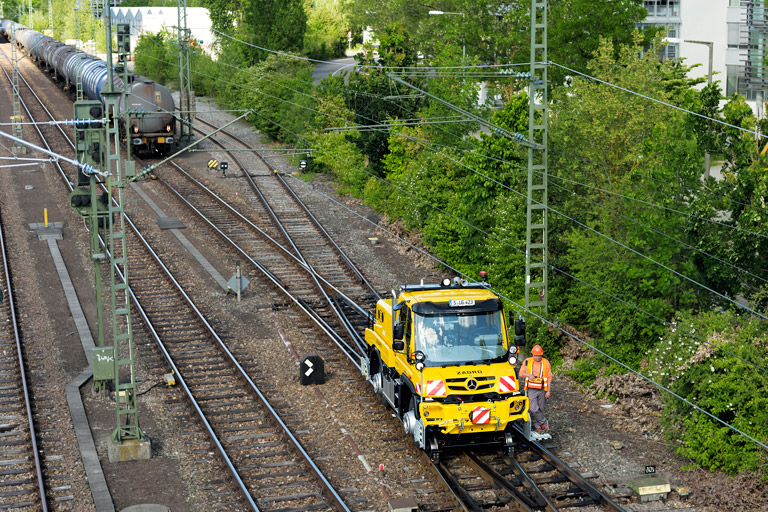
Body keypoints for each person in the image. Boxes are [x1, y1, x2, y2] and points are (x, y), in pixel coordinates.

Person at [518, 345, 552, 434]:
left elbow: (549, 377)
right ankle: (544, 422)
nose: (537, 357)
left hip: (542, 389)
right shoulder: (527, 361)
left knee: (540, 409)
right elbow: (521, 373)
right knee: (533, 408)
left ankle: (538, 427)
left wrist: (548, 391)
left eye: (539, 355)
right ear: (532, 354)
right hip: (531, 389)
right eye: (535, 355)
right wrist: (529, 375)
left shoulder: (546, 362)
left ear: (541, 355)